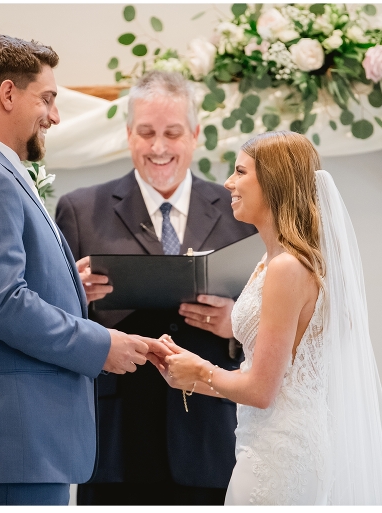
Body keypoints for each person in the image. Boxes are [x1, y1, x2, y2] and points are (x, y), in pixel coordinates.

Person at [0, 35, 169, 506]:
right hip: (11, 439)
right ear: (8, 94)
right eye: (47, 98)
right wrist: (102, 345)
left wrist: (68, 286)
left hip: (18, 441)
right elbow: (1, 305)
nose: (54, 116)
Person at [158, 130, 382, 505]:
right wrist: (187, 376)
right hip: (271, 441)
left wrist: (200, 370)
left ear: (273, 182)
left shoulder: (286, 267)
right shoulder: (272, 261)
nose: (228, 183)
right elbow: (266, 378)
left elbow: (262, 391)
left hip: (279, 454)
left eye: (240, 172)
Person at [54, 71, 256, 505]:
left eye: (172, 133)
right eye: (146, 133)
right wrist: (72, 295)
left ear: (195, 135)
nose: (159, 147)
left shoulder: (241, 213)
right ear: (128, 134)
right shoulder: (80, 210)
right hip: (115, 439)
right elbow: (52, 324)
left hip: (211, 436)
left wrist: (235, 325)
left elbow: (277, 320)